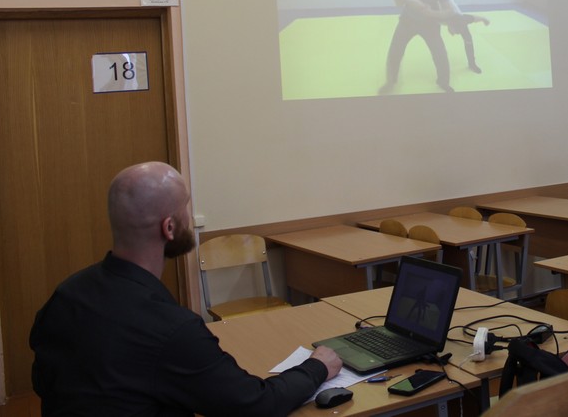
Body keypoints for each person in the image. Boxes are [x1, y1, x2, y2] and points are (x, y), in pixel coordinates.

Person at [30, 162, 342, 416]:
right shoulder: (171, 329)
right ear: (168, 227)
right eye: (186, 208)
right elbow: (256, 404)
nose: (190, 219)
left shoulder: (67, 294)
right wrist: (316, 367)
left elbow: (43, 381)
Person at [379, 0, 454, 94]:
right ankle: (390, 81)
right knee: (395, 51)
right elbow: (400, 4)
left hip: (429, 24)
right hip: (408, 20)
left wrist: (432, 13)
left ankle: (443, 82)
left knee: (440, 54)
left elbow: (449, 11)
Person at [392, 0, 490, 73]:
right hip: (440, 4)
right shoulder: (439, 17)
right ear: (450, 25)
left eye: (456, 33)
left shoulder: (463, 20)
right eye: (454, 32)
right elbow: (423, 9)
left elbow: (476, 18)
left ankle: (472, 64)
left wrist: (484, 20)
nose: (453, 34)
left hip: (452, 10)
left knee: (468, 38)